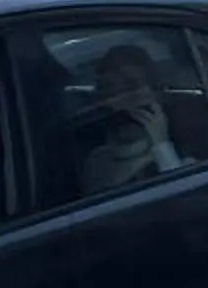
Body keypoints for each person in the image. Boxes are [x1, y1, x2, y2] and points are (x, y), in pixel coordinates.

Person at [79, 45, 185, 196]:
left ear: (156, 96)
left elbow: (182, 200)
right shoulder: (96, 161)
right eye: (110, 89)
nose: (120, 99)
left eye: (131, 86)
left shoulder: (186, 164)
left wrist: (162, 146)